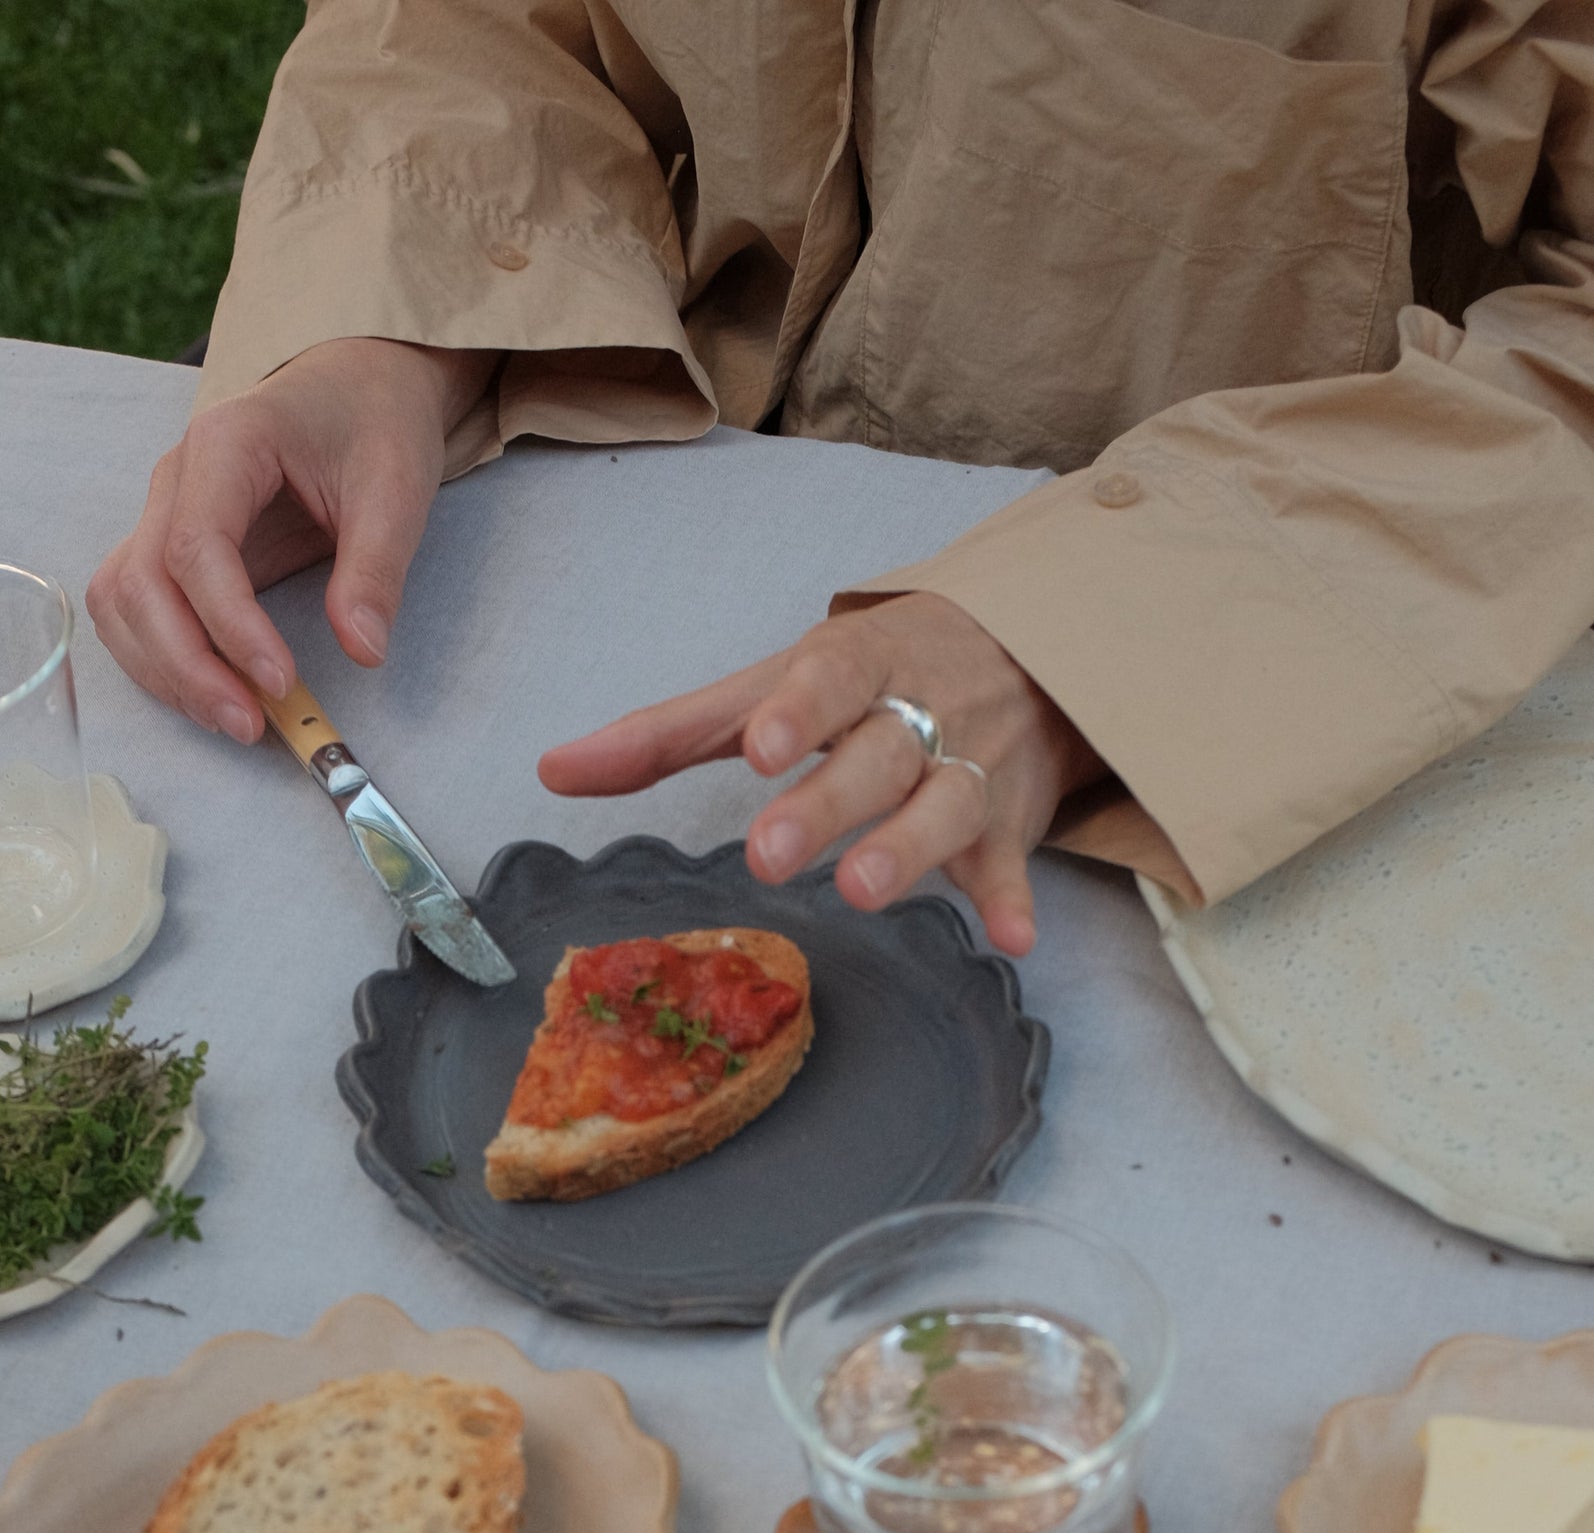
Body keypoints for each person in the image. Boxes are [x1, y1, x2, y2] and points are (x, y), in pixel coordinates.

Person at [88, 1, 1594, 957]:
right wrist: (391, 333)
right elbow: (486, 28)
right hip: (610, 495)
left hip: (1270, 676)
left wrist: (1087, 647)